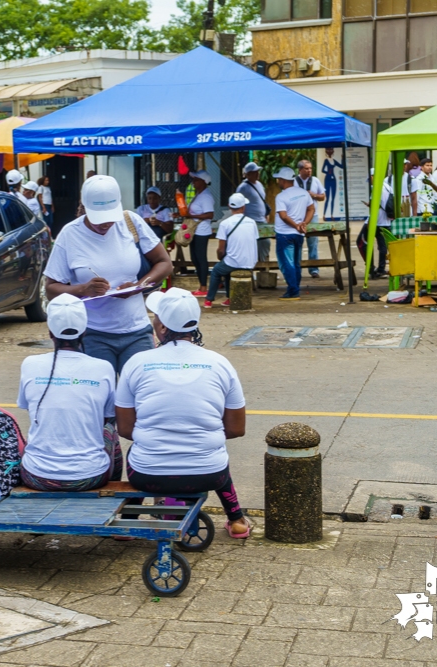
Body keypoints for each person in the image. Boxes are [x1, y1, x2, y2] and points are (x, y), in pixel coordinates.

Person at [115, 288, 250, 538]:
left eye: (155, 316)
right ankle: (237, 520)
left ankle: (127, 522)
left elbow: (125, 429)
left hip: (148, 475)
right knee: (214, 451)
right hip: (209, 474)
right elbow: (235, 429)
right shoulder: (220, 363)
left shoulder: (136, 362)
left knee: (139, 452)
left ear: (163, 327)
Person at [44, 175, 173, 373]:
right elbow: (51, 289)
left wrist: (138, 286)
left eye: (110, 218)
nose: (105, 224)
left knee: (141, 394)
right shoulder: (70, 235)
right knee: (101, 397)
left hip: (137, 331)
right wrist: (83, 289)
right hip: (92, 333)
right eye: (99, 219)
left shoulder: (130, 222)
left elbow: (164, 263)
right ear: (84, 207)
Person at [17, 294, 117, 492]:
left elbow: (29, 408)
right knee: (110, 432)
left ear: (50, 333)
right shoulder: (104, 368)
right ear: (84, 331)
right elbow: (108, 417)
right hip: (91, 477)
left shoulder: (30, 364)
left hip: (37, 476)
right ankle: (113, 494)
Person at [204, 193, 257, 308]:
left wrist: (220, 257)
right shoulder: (252, 223)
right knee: (227, 267)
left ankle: (209, 299)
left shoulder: (225, 224)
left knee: (216, 271)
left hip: (233, 261)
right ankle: (229, 297)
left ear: (229, 206)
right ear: (243, 207)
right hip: (250, 262)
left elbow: (221, 249)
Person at [273, 166, 314, 301]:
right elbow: (311, 209)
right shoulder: (303, 193)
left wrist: (296, 225)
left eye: (278, 179)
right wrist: (304, 224)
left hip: (285, 233)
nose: (277, 181)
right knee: (296, 262)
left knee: (286, 263)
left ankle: (293, 290)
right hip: (299, 234)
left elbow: (283, 216)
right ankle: (295, 287)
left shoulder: (281, 197)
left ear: (283, 180)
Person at [186, 169, 215, 297]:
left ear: (203, 182)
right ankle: (201, 285)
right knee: (194, 258)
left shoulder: (206, 196)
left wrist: (193, 215)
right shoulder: (199, 194)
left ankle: (203, 287)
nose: (194, 182)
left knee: (201, 258)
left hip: (202, 231)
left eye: (196, 180)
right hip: (195, 231)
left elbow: (210, 214)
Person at [295, 160, 326, 278]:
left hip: (313, 216)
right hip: (298, 216)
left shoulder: (315, 181)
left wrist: (314, 195)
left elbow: (323, 197)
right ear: (300, 170)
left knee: (313, 242)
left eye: (310, 168)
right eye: (306, 169)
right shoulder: (294, 182)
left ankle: (314, 269)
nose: (309, 171)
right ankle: (297, 268)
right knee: (298, 242)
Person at [237, 162, 271, 263]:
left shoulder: (259, 184)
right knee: (252, 246)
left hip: (262, 220)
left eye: (257, 171)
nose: (257, 174)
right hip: (251, 221)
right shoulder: (243, 187)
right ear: (248, 174)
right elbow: (238, 203)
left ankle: (264, 269)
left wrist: (266, 214)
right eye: (254, 172)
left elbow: (262, 200)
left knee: (265, 243)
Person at [321, 148, 344, 219]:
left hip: (333, 180)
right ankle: (324, 215)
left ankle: (332, 215)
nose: (330, 151)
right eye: (329, 150)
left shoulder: (334, 161)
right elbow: (322, 170)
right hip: (327, 180)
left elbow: (342, 166)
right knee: (327, 198)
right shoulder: (326, 160)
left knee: (333, 198)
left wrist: (342, 158)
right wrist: (328, 173)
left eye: (331, 150)